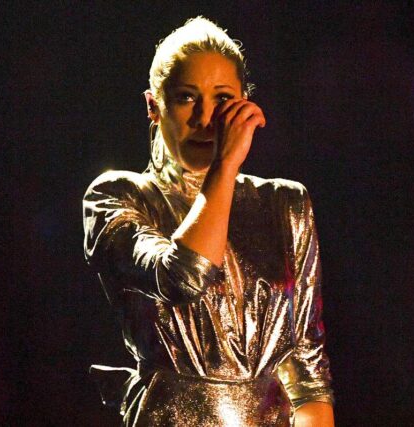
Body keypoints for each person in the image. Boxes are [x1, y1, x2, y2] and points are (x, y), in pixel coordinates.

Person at [83, 17, 335, 426]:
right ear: (153, 106)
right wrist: (225, 166)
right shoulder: (116, 197)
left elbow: (307, 370)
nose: (204, 118)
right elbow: (183, 276)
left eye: (222, 99)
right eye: (186, 97)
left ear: (244, 104)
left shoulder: (285, 204)